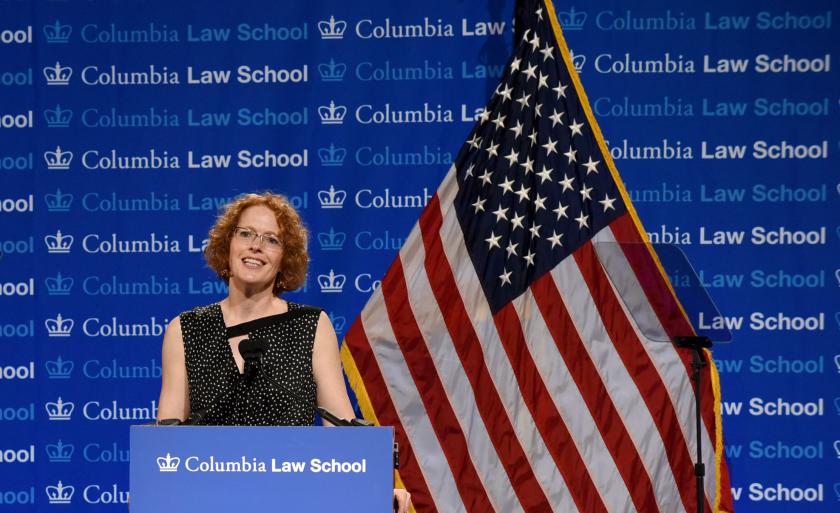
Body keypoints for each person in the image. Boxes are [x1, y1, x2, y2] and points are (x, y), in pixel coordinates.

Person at [156, 192, 410, 512]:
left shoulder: (311, 326)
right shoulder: (185, 329)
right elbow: (165, 440)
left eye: (271, 240)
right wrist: (151, 486)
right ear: (227, 244)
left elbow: (341, 427)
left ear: (284, 259)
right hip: (208, 500)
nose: (256, 245)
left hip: (294, 500)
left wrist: (377, 487)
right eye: (246, 233)